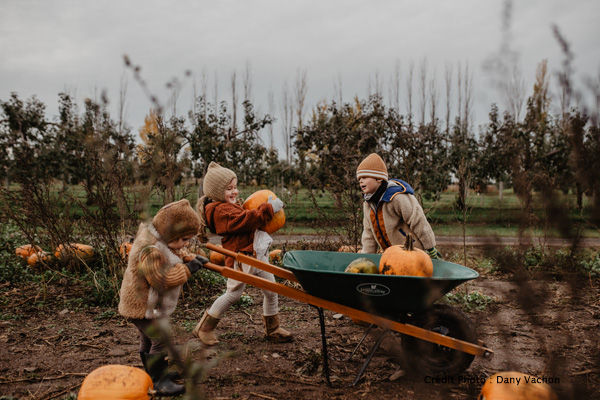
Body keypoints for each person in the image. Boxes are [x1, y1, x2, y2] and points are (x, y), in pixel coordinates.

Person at [194, 161, 293, 346]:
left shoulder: (227, 206)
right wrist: (269, 209)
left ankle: (273, 328)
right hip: (242, 259)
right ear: (215, 192)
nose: (234, 192)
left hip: (255, 255)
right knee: (233, 295)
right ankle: (204, 328)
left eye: (235, 187)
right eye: (228, 188)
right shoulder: (219, 211)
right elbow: (246, 220)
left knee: (272, 290)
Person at [118, 199, 208, 396]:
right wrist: (188, 269)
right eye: (183, 239)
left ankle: (152, 373)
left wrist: (186, 257)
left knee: (148, 339)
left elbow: (172, 252)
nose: (185, 244)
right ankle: (159, 381)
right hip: (142, 305)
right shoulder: (150, 250)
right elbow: (162, 278)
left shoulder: (160, 240)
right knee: (160, 340)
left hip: (145, 305)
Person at [356, 153, 441, 259]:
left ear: (379, 179)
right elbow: (368, 234)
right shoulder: (368, 204)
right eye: (359, 179)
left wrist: (430, 247)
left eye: (364, 177)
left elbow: (417, 219)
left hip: (413, 252)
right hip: (391, 256)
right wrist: (366, 259)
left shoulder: (397, 197)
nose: (360, 181)